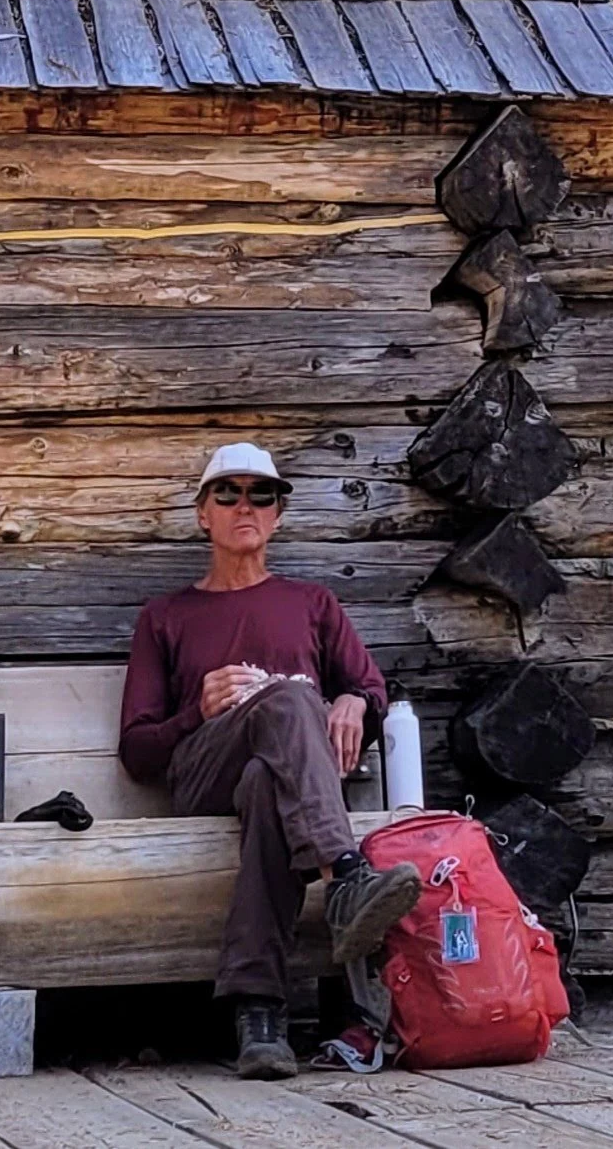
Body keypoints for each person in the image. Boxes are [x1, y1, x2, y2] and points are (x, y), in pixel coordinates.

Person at [118, 441, 422, 1081]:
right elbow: (138, 752)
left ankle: (258, 1014)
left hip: (280, 789)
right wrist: (197, 712)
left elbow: (372, 691)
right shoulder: (166, 615)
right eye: (226, 493)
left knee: (266, 783)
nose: (244, 505)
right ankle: (345, 875)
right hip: (203, 772)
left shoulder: (312, 603)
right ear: (203, 514)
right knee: (288, 698)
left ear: (279, 515)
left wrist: (352, 700)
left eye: (261, 494)